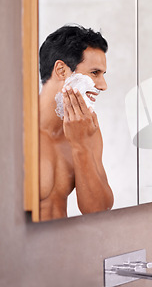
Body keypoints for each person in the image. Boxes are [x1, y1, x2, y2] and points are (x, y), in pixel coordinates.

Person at [38, 24, 113, 221]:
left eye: (103, 75)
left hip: (64, 248)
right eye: (95, 73)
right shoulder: (14, 131)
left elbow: (99, 211)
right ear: (61, 70)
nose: (103, 86)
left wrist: (81, 145)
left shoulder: (87, 130)